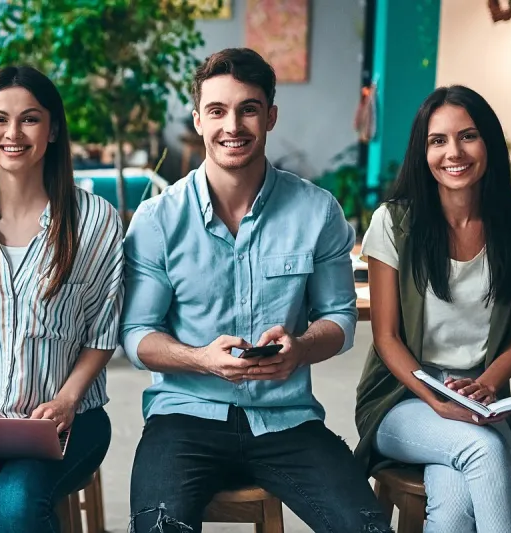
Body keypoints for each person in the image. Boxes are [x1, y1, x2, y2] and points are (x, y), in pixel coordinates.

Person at [120, 48, 393, 533]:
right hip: (185, 419)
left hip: (287, 419)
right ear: (199, 120)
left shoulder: (317, 212)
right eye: (217, 111)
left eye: (248, 109)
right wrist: (202, 359)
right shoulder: (159, 219)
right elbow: (137, 334)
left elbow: (340, 319)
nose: (233, 126)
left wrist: (301, 347)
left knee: (366, 527)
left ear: (270, 116)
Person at [0, 65, 123, 533]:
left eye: (30, 119)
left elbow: (102, 332)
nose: (13, 133)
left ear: (53, 130)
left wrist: (67, 400)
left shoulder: (95, 221)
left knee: (14, 504)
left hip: (69, 416)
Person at [354, 85, 511, 533]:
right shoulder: (394, 223)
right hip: (402, 398)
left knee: (455, 510)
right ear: (423, 152)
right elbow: (386, 337)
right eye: (437, 140)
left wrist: (488, 383)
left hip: (480, 394)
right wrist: (436, 400)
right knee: (484, 449)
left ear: (489, 143)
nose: (453, 152)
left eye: (468, 136)